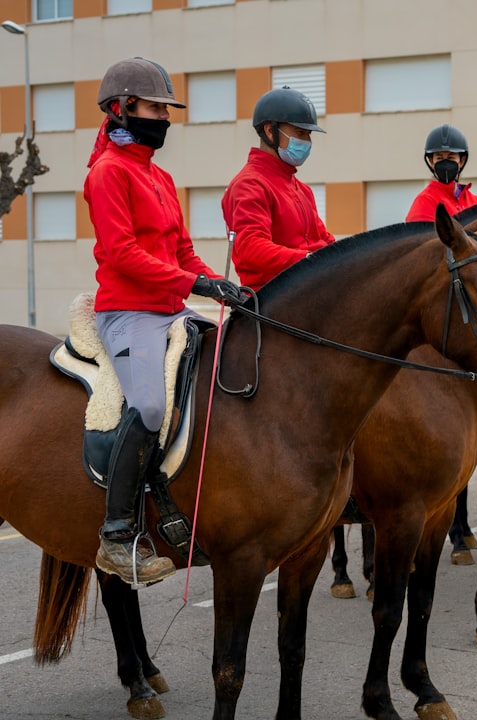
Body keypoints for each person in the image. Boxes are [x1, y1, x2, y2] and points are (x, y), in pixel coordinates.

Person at [85, 57, 242, 585]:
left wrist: (222, 286)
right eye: (155, 108)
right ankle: (116, 533)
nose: (165, 118)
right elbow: (123, 254)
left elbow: (181, 250)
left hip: (171, 306)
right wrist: (193, 284)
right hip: (128, 312)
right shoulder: (107, 174)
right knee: (150, 405)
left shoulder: (159, 175)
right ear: (122, 108)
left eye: (165, 109)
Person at [223, 87, 335, 291]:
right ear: (269, 131)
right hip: (272, 297)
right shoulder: (249, 185)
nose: (307, 142)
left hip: (309, 287)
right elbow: (251, 247)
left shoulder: (302, 189)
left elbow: (324, 240)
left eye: (308, 135)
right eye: (300, 133)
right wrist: (309, 260)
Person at [406, 124, 477, 222]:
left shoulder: (476, 202)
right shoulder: (424, 201)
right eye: (439, 158)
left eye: (451, 157)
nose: (445, 163)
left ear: (462, 161)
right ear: (431, 162)